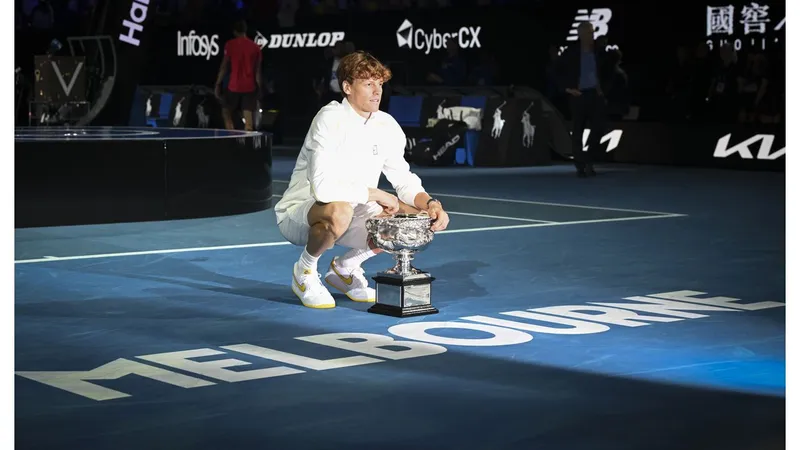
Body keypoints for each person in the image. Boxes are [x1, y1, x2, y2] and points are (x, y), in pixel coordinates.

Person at [274, 51, 451, 309]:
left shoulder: (387, 125)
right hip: (302, 212)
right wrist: (376, 194)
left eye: (380, 84)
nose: (377, 91)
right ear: (347, 87)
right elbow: (323, 189)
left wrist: (431, 204)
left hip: (355, 210)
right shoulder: (329, 118)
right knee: (340, 210)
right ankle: (304, 271)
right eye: (368, 84)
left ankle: (346, 268)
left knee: (414, 219)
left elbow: (403, 179)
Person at [555, 21, 613, 177]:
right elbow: (555, 71)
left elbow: (608, 72)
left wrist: (603, 89)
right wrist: (567, 88)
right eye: (588, 33)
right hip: (578, 96)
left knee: (599, 127)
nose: (591, 35)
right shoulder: (571, 52)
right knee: (578, 130)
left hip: (595, 95)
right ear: (580, 34)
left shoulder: (598, 51)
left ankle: (589, 159)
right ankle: (581, 165)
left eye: (592, 32)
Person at [215, 20, 262, 131]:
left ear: (235, 31)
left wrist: (217, 84)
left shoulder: (230, 45)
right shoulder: (256, 47)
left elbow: (224, 67)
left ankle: (231, 137)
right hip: (249, 87)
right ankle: (248, 140)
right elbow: (257, 72)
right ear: (245, 30)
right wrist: (259, 89)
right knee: (248, 120)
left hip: (234, 86)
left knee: (226, 112)